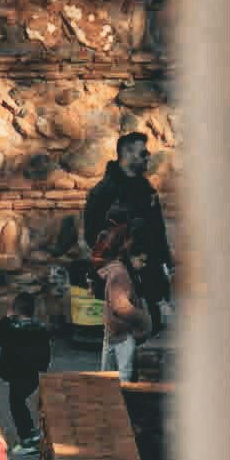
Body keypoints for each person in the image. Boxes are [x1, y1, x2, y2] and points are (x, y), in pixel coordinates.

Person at [82, 131, 173, 329]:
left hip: (152, 277)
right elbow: (92, 235)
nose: (148, 156)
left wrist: (166, 261)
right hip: (123, 278)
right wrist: (123, 260)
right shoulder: (104, 191)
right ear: (128, 153)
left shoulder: (145, 188)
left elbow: (158, 229)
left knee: (152, 336)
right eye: (143, 153)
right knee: (126, 338)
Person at [0, 289, 54, 452]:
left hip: (17, 375)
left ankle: (27, 439)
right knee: (20, 404)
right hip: (32, 375)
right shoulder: (40, 328)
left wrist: (6, 318)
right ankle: (30, 433)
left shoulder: (12, 329)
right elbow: (46, 351)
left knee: (16, 404)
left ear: (15, 310)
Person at [97, 240, 144, 381]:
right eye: (141, 260)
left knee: (107, 374)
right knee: (124, 375)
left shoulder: (117, 269)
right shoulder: (123, 275)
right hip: (122, 331)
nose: (143, 264)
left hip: (112, 330)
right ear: (132, 257)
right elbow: (123, 307)